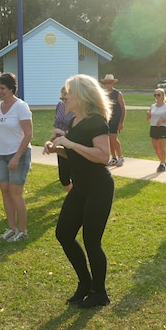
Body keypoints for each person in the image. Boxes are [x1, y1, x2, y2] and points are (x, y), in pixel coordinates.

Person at [43, 74, 114, 308]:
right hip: (81, 187)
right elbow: (76, 154)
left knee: (92, 241)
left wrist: (70, 143)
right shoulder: (74, 120)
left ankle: (99, 292)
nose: (65, 97)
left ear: (82, 94)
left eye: (69, 93)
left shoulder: (96, 120)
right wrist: (58, 149)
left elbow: (104, 156)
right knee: (63, 234)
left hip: (99, 187)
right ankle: (85, 283)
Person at [0, 72, 33, 242]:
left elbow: (28, 134)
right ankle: (11, 227)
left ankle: (22, 230)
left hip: (18, 155)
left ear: (11, 88)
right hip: (0, 155)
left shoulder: (21, 107)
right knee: (5, 193)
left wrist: (16, 157)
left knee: (16, 193)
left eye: (2, 88)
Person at [52, 86, 76, 190]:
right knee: (63, 176)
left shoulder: (76, 108)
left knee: (75, 174)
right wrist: (53, 137)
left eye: (65, 98)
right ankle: (73, 196)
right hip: (59, 142)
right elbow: (56, 123)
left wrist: (63, 132)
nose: (63, 101)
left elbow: (78, 130)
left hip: (72, 142)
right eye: (62, 98)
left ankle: (76, 197)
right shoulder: (60, 106)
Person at [102, 74, 126, 166]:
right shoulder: (103, 94)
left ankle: (120, 156)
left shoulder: (117, 94)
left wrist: (121, 122)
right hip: (107, 119)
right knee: (109, 139)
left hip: (115, 119)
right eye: (106, 83)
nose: (108, 84)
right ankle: (114, 157)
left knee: (113, 138)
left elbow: (123, 108)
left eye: (110, 82)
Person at [148, 88, 166, 172]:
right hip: (153, 127)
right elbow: (149, 119)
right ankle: (162, 161)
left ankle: (162, 163)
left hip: (163, 128)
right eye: (155, 95)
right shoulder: (152, 106)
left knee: (161, 147)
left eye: (158, 95)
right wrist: (148, 115)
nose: (157, 96)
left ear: (163, 96)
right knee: (155, 147)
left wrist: (162, 120)